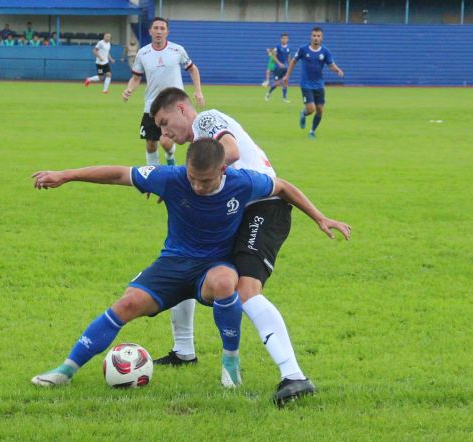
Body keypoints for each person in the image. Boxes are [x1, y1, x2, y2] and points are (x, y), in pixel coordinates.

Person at [30, 139, 345, 392]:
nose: (197, 187)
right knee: (126, 303)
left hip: (214, 266)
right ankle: (66, 370)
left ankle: (230, 363)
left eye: (205, 181)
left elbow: (283, 187)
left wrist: (320, 218)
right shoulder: (171, 178)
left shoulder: (243, 182)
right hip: (173, 262)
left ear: (223, 169)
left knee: (225, 283)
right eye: (192, 178)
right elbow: (117, 174)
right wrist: (66, 175)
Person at [149, 87, 352, 405]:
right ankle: (185, 350)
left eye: (164, 122)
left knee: (246, 290)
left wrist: (188, 181)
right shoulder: (202, 145)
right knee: (185, 265)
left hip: (264, 208)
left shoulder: (207, 119)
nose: (164, 132)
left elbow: (229, 151)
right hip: (240, 211)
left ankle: (294, 376)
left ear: (181, 109)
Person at [122, 17, 204, 167]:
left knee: (166, 142)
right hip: (151, 106)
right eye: (156, 28)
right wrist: (129, 89)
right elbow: (135, 78)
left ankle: (170, 157)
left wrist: (198, 91)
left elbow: (193, 69)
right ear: (150, 31)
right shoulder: (143, 53)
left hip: (174, 106)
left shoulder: (177, 50)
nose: (159, 31)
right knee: (151, 144)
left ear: (167, 32)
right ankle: (152, 174)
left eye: (162, 28)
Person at [283, 27, 344, 139]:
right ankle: (304, 113)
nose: (316, 38)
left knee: (320, 110)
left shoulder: (325, 51)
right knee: (311, 109)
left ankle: (312, 132)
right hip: (306, 84)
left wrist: (338, 70)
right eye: (314, 36)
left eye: (318, 36)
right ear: (311, 36)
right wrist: (287, 75)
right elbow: (293, 61)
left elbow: (331, 65)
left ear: (322, 37)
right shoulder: (303, 49)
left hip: (319, 85)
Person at [265, 33, 291, 103]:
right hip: (277, 68)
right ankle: (268, 93)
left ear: (287, 39)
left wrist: (290, 65)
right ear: (281, 39)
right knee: (277, 83)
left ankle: (284, 98)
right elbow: (273, 56)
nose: (284, 40)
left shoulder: (289, 47)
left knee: (285, 81)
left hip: (285, 67)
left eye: (286, 38)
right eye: (283, 38)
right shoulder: (277, 47)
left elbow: (288, 57)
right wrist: (279, 63)